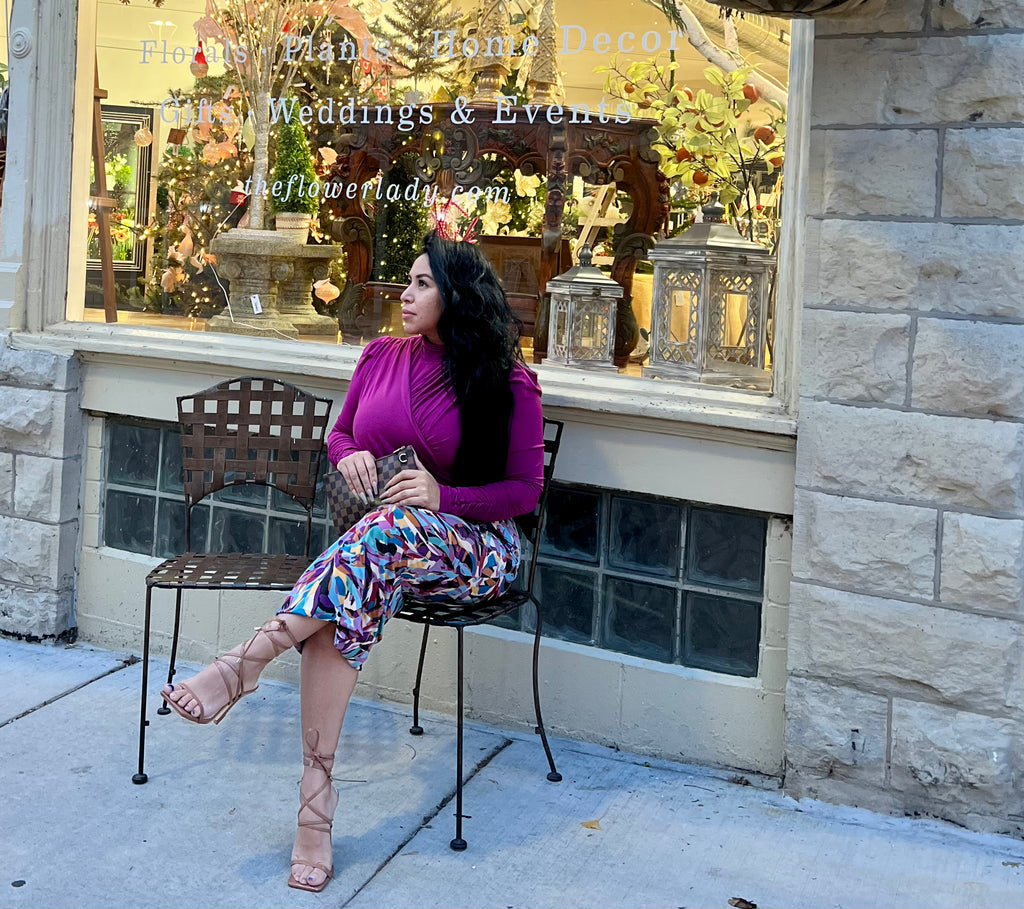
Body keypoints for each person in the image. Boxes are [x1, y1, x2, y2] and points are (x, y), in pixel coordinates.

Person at [159, 231, 545, 893]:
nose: (406, 294)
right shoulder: (379, 355)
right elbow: (341, 433)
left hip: (476, 550)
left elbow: (524, 492)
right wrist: (350, 454)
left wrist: (443, 496)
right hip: (377, 552)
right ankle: (314, 797)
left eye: (423, 283)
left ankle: (246, 662)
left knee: (377, 541)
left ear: (458, 296)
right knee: (351, 589)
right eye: (409, 281)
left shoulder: (507, 382)